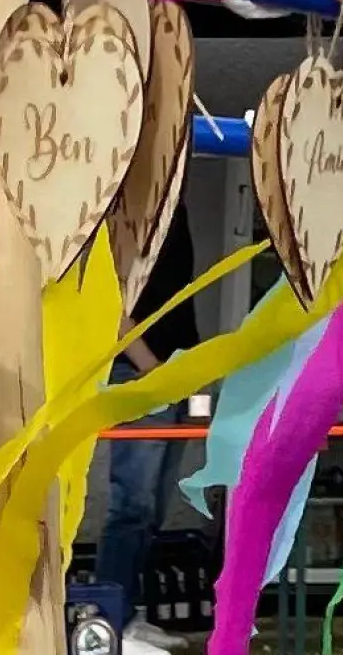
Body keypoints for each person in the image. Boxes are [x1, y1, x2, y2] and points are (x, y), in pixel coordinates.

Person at [97, 201, 200, 652]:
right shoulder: (124, 213)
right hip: (140, 373)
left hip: (173, 370)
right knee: (132, 504)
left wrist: (191, 385)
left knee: (153, 506)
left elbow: (183, 304)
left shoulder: (175, 210)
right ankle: (110, 619)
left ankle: (130, 614)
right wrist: (149, 367)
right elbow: (109, 302)